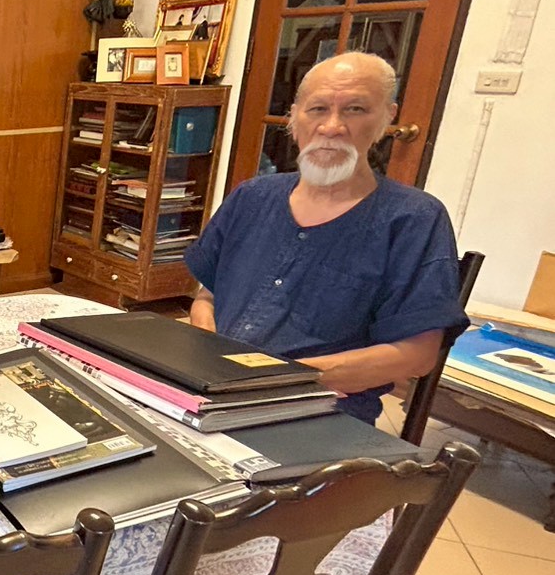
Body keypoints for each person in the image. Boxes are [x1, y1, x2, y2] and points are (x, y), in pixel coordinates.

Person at [184, 52, 467, 424]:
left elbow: (417, 355)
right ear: (294, 118)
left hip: (319, 410)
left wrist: (276, 381)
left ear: (387, 118)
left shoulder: (413, 219)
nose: (332, 127)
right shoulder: (252, 197)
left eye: (355, 110)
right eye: (318, 109)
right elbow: (207, 295)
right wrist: (210, 358)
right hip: (214, 391)